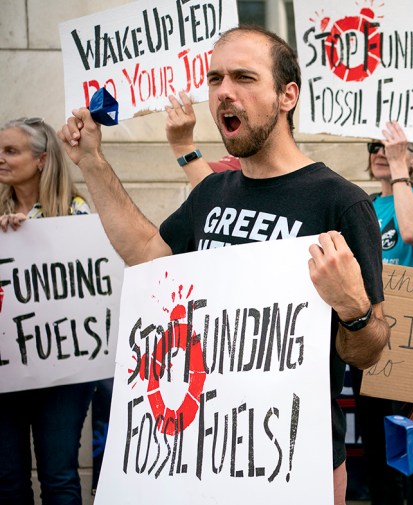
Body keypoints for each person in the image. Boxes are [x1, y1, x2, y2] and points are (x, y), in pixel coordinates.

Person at [57, 26, 389, 505]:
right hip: (205, 453)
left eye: (244, 78)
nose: (224, 92)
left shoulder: (341, 204)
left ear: (287, 96)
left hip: (295, 462)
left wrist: (353, 308)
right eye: (215, 80)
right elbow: (148, 251)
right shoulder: (213, 192)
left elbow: (371, 350)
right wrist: (90, 161)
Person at [350, 120, 413, 505]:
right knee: (378, 447)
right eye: (375, 146)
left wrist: (399, 174)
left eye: (390, 145)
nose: (379, 151)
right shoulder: (366, 205)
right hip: (372, 340)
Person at [0, 117, 93, 504]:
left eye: (11, 151)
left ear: (40, 160)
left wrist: (37, 243)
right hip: (6, 369)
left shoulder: (77, 214)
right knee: (7, 482)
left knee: (59, 478)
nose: (1, 159)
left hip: (62, 375)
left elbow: (91, 285)